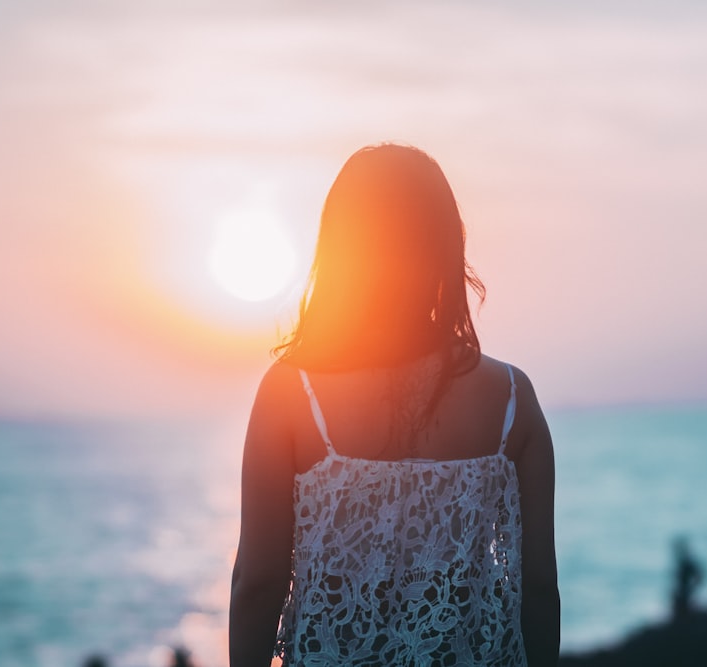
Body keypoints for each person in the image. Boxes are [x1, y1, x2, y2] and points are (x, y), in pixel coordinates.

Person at [229, 144, 559, 666]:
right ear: (446, 247)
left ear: (340, 250)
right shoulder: (511, 397)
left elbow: (259, 581)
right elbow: (537, 586)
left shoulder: (293, 393)